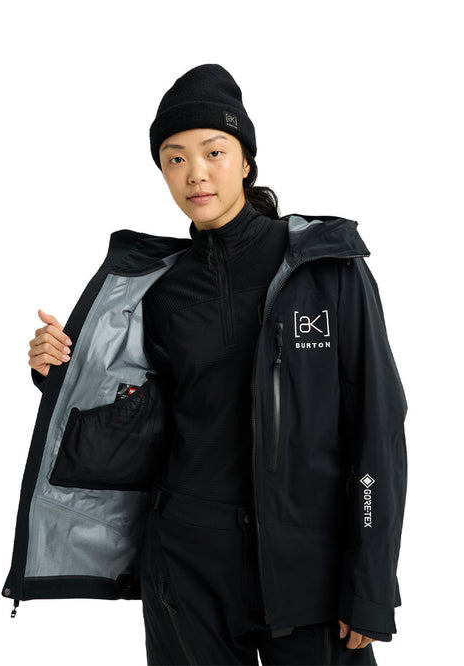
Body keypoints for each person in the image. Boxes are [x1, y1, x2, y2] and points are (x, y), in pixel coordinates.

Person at [27, 64, 407, 665]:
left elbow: (377, 428)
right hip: (186, 562)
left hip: (308, 560)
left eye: (213, 152)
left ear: (246, 161)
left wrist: (371, 583)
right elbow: (127, 414)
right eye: (175, 159)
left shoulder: (325, 267)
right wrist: (56, 369)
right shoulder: (156, 286)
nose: (195, 173)